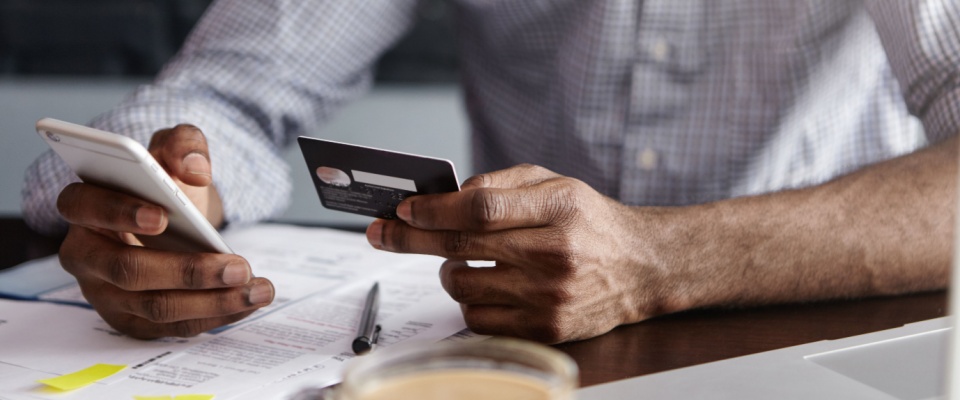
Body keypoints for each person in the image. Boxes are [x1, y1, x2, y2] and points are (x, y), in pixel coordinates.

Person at [22, 0, 960, 343]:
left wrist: (658, 260)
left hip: (823, 344)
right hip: (506, 349)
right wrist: (162, 188)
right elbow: (235, 88)